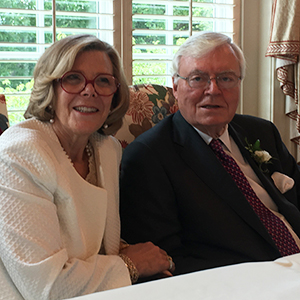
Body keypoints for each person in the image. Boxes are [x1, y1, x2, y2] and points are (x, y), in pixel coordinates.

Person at [0, 34, 175, 300]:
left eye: (103, 81)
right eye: (73, 78)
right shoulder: (19, 154)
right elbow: (47, 288)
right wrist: (132, 265)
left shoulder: (106, 148)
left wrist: (152, 260)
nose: (89, 90)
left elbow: (102, 247)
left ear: (114, 95)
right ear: (51, 87)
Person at [120, 31, 300, 277]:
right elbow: (166, 261)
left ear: (239, 84)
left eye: (226, 78)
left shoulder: (261, 131)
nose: (213, 90)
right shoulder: (148, 158)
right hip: (246, 283)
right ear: (175, 85)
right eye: (198, 78)